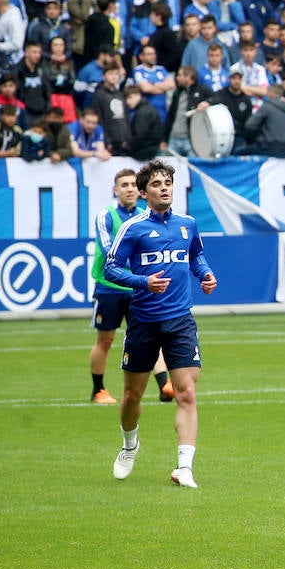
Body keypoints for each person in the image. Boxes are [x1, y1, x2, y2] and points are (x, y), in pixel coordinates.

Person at [104, 160, 217, 489]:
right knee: (131, 396)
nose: (164, 187)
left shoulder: (187, 224)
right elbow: (111, 268)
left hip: (181, 320)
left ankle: (184, 467)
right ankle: (129, 445)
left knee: (187, 394)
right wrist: (142, 281)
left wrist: (205, 274)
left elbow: (196, 256)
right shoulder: (134, 228)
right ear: (143, 192)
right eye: (156, 184)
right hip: (143, 320)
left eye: (168, 182)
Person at [89, 169, 172, 405]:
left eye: (133, 185)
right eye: (123, 185)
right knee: (105, 340)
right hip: (110, 287)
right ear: (116, 190)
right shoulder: (106, 215)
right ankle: (98, 390)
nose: (129, 189)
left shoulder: (146, 217)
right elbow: (109, 253)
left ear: (140, 190)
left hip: (140, 288)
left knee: (151, 335)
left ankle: (164, 385)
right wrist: (139, 264)